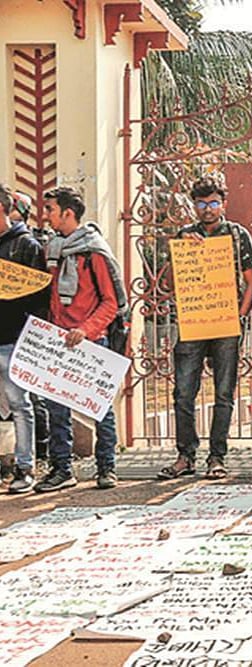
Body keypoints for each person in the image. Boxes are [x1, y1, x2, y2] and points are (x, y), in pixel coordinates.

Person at [158, 176, 252, 480]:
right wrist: (182, 254)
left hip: (226, 326)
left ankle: (217, 456)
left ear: (223, 204)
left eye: (213, 203)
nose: (207, 209)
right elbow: (169, 283)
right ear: (194, 205)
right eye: (201, 204)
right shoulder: (185, 234)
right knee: (183, 393)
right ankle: (185, 456)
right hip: (192, 326)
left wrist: (239, 316)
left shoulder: (238, 235)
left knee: (224, 394)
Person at [34, 187, 122, 492]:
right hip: (59, 340)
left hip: (92, 340)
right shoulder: (52, 249)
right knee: (56, 408)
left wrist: (86, 329)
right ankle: (62, 469)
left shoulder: (92, 251)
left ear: (67, 213)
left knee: (100, 408)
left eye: (50, 210)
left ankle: (106, 467)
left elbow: (110, 302)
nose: (45, 216)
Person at [0, 184, 47, 493]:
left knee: (20, 404)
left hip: (14, 338)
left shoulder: (26, 245)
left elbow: (39, 298)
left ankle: (25, 467)